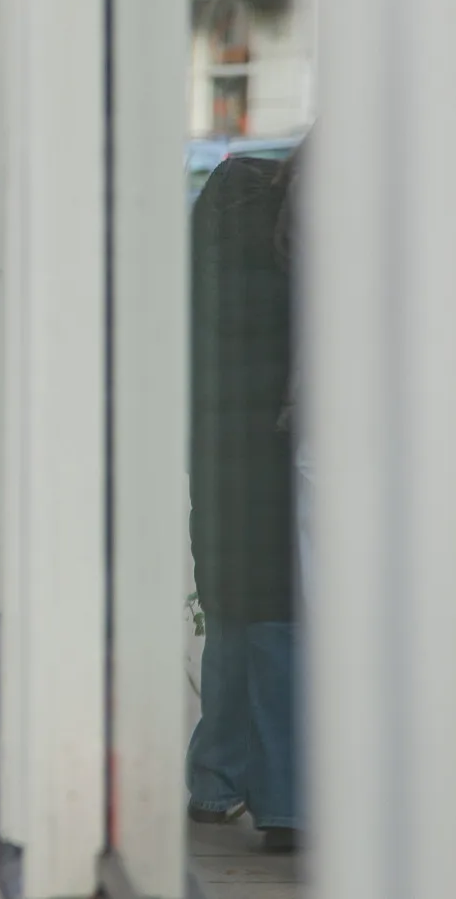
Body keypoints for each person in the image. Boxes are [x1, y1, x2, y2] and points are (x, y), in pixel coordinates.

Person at [186, 147, 303, 853]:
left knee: (230, 604)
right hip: (284, 450)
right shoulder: (301, 262)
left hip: (217, 451)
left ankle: (215, 779)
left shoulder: (208, 265)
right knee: (279, 618)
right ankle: (287, 801)